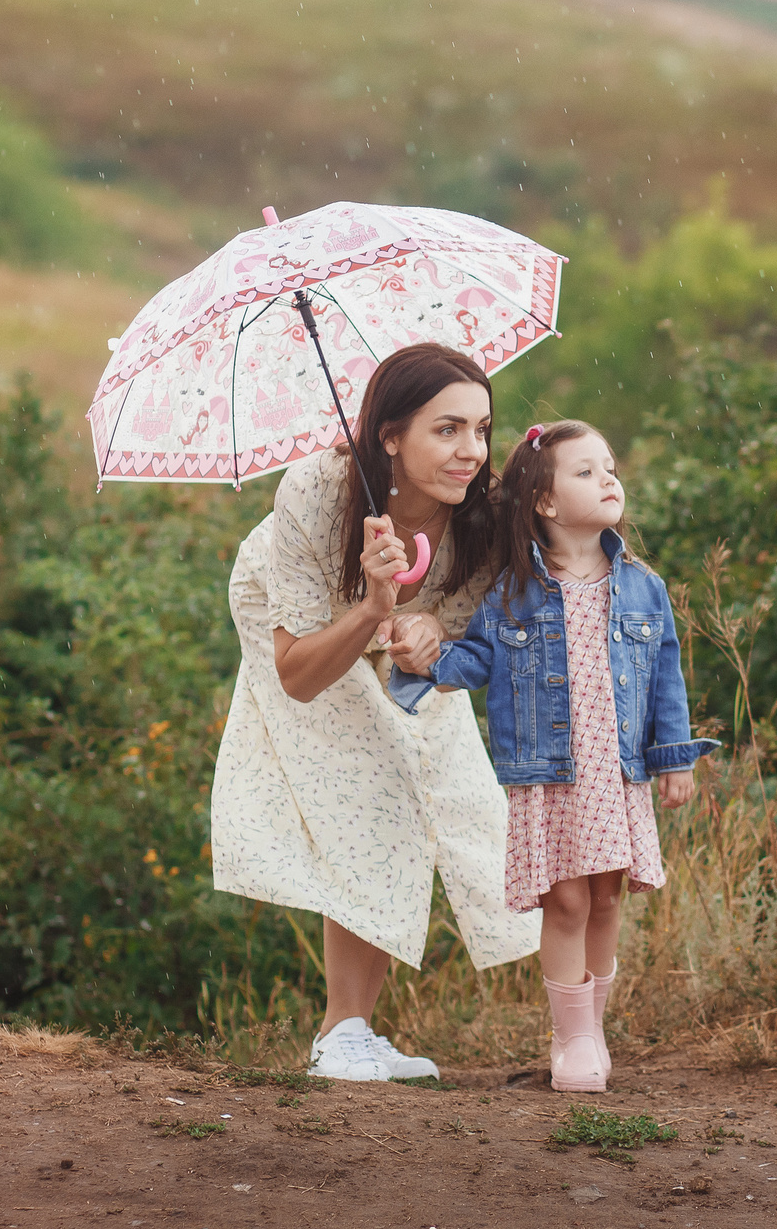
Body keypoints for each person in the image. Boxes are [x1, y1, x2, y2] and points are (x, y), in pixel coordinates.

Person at [210, 342, 541, 1082]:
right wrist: (373, 608)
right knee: (374, 784)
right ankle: (341, 1031)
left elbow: (462, 652)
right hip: (300, 621)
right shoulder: (319, 491)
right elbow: (297, 673)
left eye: (482, 430)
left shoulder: (480, 517)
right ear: (389, 434)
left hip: (386, 624)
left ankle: (359, 1030)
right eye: (447, 429)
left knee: (432, 788)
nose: (471, 451)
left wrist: (432, 637)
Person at [385, 419, 715, 1092]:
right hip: (552, 774)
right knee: (565, 901)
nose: (609, 478)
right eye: (587, 471)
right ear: (546, 502)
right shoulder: (514, 593)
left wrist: (673, 756)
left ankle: (593, 1028)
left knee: (607, 897)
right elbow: (472, 659)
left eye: (611, 466)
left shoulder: (644, 586)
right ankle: (572, 1038)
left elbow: (666, 678)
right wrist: (424, 659)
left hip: (617, 770)